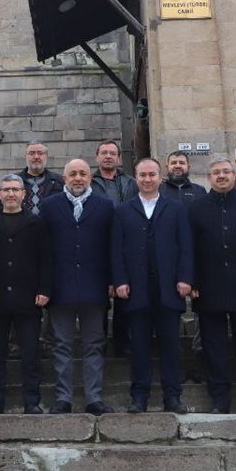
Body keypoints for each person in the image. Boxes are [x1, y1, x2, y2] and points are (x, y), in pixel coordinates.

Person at [112, 158, 194, 414]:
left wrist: (185, 278)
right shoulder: (123, 210)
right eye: (143, 175)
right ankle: (139, 397)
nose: (147, 179)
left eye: (152, 174)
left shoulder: (176, 208)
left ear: (161, 177)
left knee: (170, 345)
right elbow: (116, 250)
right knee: (139, 346)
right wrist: (120, 281)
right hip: (136, 289)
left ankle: (172, 397)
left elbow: (185, 246)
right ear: (136, 178)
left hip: (169, 287)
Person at [187, 156, 236, 413]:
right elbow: (190, 249)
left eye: (226, 172)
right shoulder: (196, 208)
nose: (221, 176)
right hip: (208, 287)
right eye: (216, 173)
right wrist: (193, 280)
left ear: (234, 176)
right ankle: (220, 399)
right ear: (209, 178)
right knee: (214, 348)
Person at [38, 158, 115, 416]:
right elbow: (43, 251)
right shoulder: (49, 207)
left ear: (90, 178)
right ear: (65, 178)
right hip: (60, 288)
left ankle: (94, 398)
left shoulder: (105, 207)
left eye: (83, 173)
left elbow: (112, 248)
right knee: (61, 344)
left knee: (94, 343)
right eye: (73, 174)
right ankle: (63, 398)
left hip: (95, 287)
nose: (78, 178)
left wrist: (113, 281)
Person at [0, 174, 53, 414]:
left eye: (15, 189)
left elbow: (47, 260)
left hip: (28, 299)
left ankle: (31, 401)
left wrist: (44, 289)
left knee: (30, 354)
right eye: (6, 189)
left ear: (23, 194)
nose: (10, 194)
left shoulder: (37, 223)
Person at [91, 139, 138, 358]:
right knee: (100, 296)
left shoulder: (131, 182)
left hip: (127, 245)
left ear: (119, 158)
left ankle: (122, 340)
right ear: (97, 157)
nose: (108, 156)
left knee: (124, 295)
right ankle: (98, 342)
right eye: (104, 153)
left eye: (112, 153)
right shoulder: (89, 182)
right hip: (97, 244)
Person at [10, 141, 65, 216]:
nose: (36, 157)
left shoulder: (59, 181)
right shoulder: (12, 181)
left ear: (46, 156)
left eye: (40, 153)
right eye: (31, 153)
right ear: (25, 156)